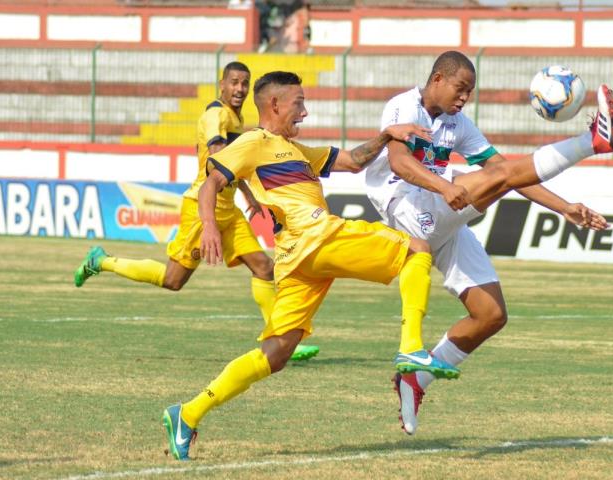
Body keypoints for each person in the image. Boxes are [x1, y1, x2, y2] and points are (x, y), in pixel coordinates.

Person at [161, 70, 467, 461]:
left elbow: (355, 161)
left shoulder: (298, 152)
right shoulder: (253, 141)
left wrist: (389, 135)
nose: (305, 112)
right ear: (274, 105)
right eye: (298, 103)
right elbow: (211, 184)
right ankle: (410, 348)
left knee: (276, 352)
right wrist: (208, 227)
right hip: (313, 236)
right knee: (416, 249)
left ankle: (186, 413)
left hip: (295, 259)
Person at [364, 50, 613, 435]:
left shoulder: (458, 124)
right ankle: (592, 141)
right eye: (460, 88)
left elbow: (508, 173)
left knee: (490, 315)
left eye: (470, 91)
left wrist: (564, 207)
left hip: (442, 212)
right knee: (496, 178)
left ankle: (415, 381)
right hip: (407, 203)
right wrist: (444, 185)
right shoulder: (404, 106)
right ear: (437, 79)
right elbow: (400, 163)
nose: (464, 97)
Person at [72, 61, 319, 362]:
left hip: (228, 209)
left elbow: (231, 164)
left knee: (264, 268)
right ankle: (102, 261)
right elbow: (219, 154)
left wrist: (248, 194)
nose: (240, 88)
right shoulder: (215, 114)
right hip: (204, 208)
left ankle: (280, 339)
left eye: (245, 83)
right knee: (173, 279)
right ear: (222, 85)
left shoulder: (236, 119)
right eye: (234, 82)